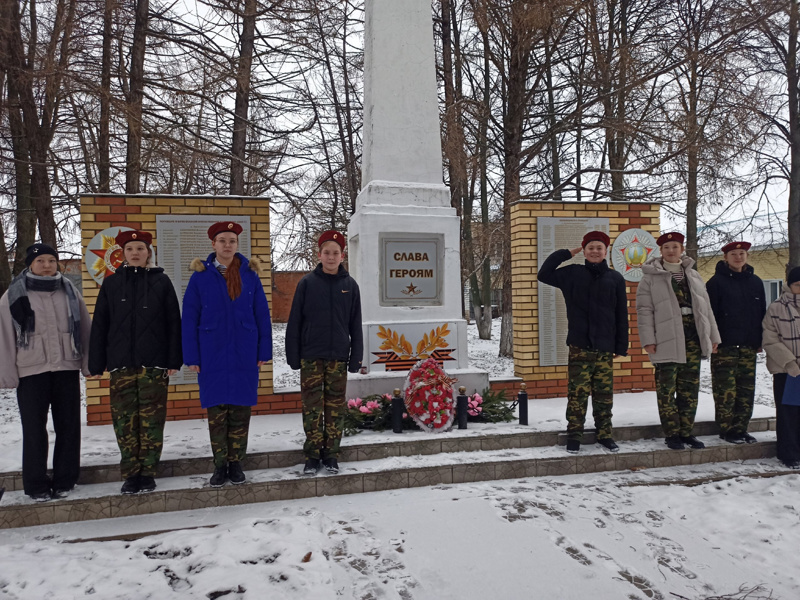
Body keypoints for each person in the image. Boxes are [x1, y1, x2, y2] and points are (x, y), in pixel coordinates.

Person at [88, 230, 182, 494]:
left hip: (154, 364)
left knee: (152, 421)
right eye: (130, 249)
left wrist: (174, 359)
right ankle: (131, 473)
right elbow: (100, 324)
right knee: (125, 421)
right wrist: (96, 363)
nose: (136, 253)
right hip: (121, 365)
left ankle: (149, 471)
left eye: (140, 248)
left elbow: (174, 323)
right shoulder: (111, 283)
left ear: (148, 253)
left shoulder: (162, 282)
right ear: (123, 254)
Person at [182, 221, 272, 487]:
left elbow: (261, 315)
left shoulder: (249, 275)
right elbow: (189, 318)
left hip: (244, 350)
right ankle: (220, 464)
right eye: (222, 240)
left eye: (232, 241)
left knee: (241, 410)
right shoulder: (200, 277)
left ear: (237, 245)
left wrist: (263, 349)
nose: (227, 245)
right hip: (212, 352)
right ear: (213, 245)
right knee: (217, 411)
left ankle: (236, 462)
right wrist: (192, 356)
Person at [0, 244, 91, 501]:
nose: (47, 265)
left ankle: (65, 480)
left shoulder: (69, 291)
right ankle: (36, 484)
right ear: (30, 264)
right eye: (41, 261)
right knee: (33, 429)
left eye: (51, 260)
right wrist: (7, 374)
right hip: (31, 370)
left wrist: (87, 363)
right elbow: (4, 336)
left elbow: (84, 328)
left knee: (69, 426)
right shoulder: (13, 295)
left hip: (65, 367)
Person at [537, 230, 628, 454]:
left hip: (605, 347)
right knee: (577, 394)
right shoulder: (572, 273)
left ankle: (605, 434)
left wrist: (620, 346)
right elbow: (544, 274)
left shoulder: (615, 278)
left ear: (606, 251)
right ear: (584, 251)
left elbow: (621, 314)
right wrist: (566, 253)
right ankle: (574, 436)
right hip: (580, 346)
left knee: (604, 395)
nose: (595, 251)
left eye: (599, 247)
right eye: (590, 248)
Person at [286, 230, 363, 475]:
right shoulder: (307, 283)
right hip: (311, 357)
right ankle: (312, 455)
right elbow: (295, 321)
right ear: (319, 255)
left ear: (343, 256)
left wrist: (355, 357)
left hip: (338, 357)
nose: (331, 257)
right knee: (312, 408)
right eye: (326, 252)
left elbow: (355, 324)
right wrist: (292, 354)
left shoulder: (350, 286)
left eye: (336, 253)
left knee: (335, 408)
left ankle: (331, 454)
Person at [637, 232, 720, 450]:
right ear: (661, 252)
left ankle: (687, 432)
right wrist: (648, 340)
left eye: (675, 246)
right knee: (666, 390)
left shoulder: (693, 275)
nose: (671, 251)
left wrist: (713, 336)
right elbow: (644, 311)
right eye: (666, 248)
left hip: (692, 337)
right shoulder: (650, 278)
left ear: (682, 250)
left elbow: (707, 309)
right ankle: (672, 434)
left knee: (689, 389)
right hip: (665, 339)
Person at [706, 241, 766, 445]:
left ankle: (741, 428)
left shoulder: (756, 282)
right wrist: (712, 340)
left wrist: (759, 340)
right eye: (733, 253)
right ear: (725, 257)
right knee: (726, 391)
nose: (738, 257)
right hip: (725, 347)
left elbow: (760, 314)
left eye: (742, 253)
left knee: (746, 390)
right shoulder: (715, 283)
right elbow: (709, 316)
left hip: (748, 346)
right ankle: (726, 429)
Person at [761, 266, 800, 469]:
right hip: (788, 371)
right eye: (798, 285)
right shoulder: (777, 307)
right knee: (788, 414)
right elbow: (770, 338)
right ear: (789, 285)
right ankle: (789, 454)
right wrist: (789, 362)